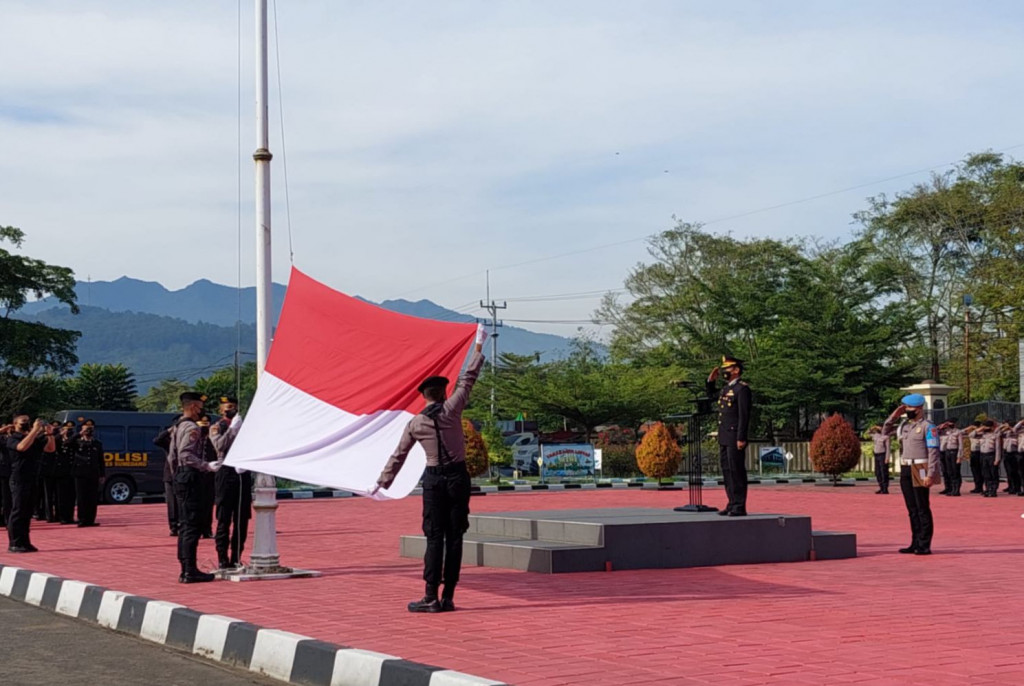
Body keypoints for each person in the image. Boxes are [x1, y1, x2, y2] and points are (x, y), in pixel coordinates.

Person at [375, 336, 486, 613]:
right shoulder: (452, 410)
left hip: (434, 481)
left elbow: (399, 455)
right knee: (456, 536)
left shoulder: (415, 423)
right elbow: (468, 379)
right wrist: (478, 347)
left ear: (424, 396)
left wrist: (383, 481)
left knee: (434, 537)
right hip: (458, 478)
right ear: (444, 393)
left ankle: (430, 596)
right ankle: (448, 596)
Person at [168, 392, 220, 583]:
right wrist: (206, 465)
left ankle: (186, 567)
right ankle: (190, 570)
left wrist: (177, 475)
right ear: (192, 407)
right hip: (191, 477)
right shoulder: (191, 428)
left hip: (182, 476)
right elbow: (185, 454)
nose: (201, 412)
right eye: (199, 407)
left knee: (185, 525)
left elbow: (172, 457)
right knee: (192, 524)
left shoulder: (177, 426)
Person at [882, 394, 940, 555]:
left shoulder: (928, 427)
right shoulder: (904, 425)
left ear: (919, 408)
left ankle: (924, 544)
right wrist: (894, 415)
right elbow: (885, 431)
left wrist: (931, 473)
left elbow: (933, 451)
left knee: (922, 507)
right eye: (905, 407)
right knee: (912, 508)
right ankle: (915, 542)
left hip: (921, 467)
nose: (906, 410)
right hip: (906, 467)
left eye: (909, 407)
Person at [706, 355, 752, 517]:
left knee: (736, 471)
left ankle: (739, 505)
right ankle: (731, 502)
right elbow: (712, 396)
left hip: (734, 436)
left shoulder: (742, 389)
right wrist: (710, 382)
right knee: (727, 471)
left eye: (727, 368)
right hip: (724, 435)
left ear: (736, 370)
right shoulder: (726, 389)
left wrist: (741, 437)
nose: (724, 371)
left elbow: (744, 416)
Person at [210, 396, 251, 569]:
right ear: (221, 410)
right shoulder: (217, 427)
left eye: (234, 406)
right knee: (224, 518)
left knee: (242, 519)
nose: (231, 409)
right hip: (225, 473)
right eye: (228, 407)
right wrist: (233, 430)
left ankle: (236, 557)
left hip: (242, 474)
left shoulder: (245, 427)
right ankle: (222, 558)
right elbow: (220, 445)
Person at [6, 416, 56, 552]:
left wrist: (50, 434)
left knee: (27, 511)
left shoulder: (33, 438)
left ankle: (25, 541)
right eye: (23, 422)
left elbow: (50, 449)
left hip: (32, 477)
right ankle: (15, 543)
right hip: (19, 478)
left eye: (28, 421)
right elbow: (21, 447)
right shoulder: (12, 438)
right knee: (18, 510)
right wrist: (34, 430)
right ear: (15, 424)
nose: (26, 423)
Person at [72, 419, 105, 527]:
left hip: (93, 473)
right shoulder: (77, 442)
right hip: (80, 473)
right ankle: (82, 519)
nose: (89, 431)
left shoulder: (97, 443)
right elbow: (67, 443)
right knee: (81, 497)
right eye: (87, 428)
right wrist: (80, 434)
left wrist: (102, 474)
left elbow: (101, 460)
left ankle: (91, 519)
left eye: (90, 428)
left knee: (92, 498)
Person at [154, 417, 183, 536]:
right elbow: (156, 440)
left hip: (183, 474)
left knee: (182, 502)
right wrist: (169, 430)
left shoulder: (185, 438)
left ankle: (183, 525)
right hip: (170, 475)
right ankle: (173, 526)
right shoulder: (169, 441)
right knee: (172, 502)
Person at [54, 421, 78, 524]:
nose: (68, 431)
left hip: (72, 471)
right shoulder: (58, 439)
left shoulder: (74, 439)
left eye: (70, 429)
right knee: (61, 495)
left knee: (71, 495)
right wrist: (61, 434)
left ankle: (70, 516)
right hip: (61, 471)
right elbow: (58, 442)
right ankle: (62, 516)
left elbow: (72, 443)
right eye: (67, 429)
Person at [975, 420, 1003, 498]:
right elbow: (971, 435)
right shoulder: (982, 435)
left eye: (987, 426)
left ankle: (993, 490)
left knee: (993, 473)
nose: (986, 428)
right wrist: (981, 428)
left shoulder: (995, 436)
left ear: (991, 427)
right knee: (985, 473)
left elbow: (998, 448)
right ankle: (988, 488)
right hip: (983, 456)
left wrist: (997, 459)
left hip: (991, 456)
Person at [937, 420, 962, 497]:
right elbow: (934, 432)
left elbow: (961, 446)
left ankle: (956, 490)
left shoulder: (958, 432)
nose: (949, 424)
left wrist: (959, 456)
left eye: (951, 423)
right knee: (949, 471)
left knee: (955, 471)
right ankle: (951, 489)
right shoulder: (946, 432)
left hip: (954, 452)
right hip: (947, 452)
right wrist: (941, 426)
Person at [867, 425, 890, 494]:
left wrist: (887, 458)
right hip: (876, 455)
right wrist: (874, 427)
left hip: (882, 455)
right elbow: (868, 432)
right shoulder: (875, 436)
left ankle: (885, 488)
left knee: (884, 472)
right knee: (877, 472)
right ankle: (881, 487)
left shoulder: (886, 437)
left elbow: (888, 448)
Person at [965, 420, 985, 493]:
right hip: (973, 452)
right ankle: (977, 486)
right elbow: (968, 434)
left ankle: (981, 487)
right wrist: (973, 428)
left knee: (981, 470)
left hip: (980, 452)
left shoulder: (984, 433)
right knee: (975, 471)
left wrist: (980, 428)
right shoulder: (972, 433)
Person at [1000, 422, 1020, 495]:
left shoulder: (1017, 433)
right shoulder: (1006, 433)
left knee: (1015, 472)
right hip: (1006, 454)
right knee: (1009, 472)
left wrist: (1010, 427)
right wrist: (1003, 427)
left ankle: (1017, 487)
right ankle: (1011, 486)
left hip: (1015, 454)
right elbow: (998, 433)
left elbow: (1014, 430)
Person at [0, 423, 13, 528]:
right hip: (3, 470)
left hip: (12, 470)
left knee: (8, 498)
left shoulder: (16, 439)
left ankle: (9, 519)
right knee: (4, 497)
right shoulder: (2, 439)